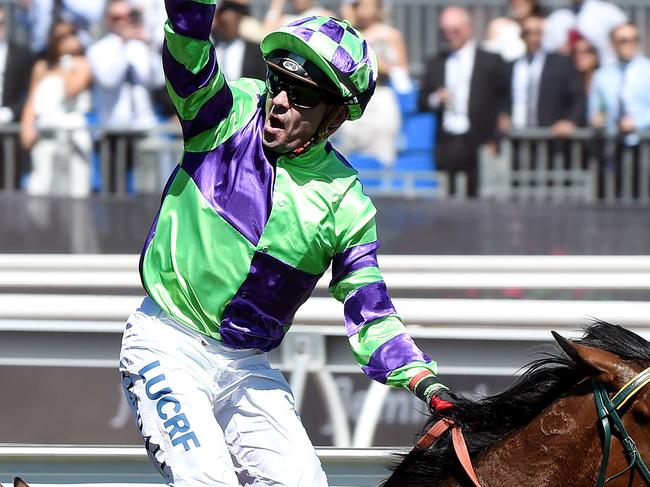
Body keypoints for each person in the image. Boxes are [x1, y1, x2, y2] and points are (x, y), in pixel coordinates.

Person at [119, 2, 452, 485]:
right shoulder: (226, 114)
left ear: (335, 118)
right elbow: (188, 45)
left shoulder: (347, 201)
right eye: (278, 82)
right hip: (166, 342)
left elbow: (371, 313)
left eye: (301, 96)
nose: (279, 101)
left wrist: (422, 381)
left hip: (247, 365)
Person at [419, 6, 509, 197]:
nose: (450, 35)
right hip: (447, 140)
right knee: (448, 196)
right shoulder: (436, 62)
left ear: (468, 28)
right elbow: (422, 100)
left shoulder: (490, 61)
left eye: (455, 30)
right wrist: (437, 98)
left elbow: (505, 95)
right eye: (445, 31)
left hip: (480, 140)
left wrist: (500, 125)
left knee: (481, 195)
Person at [87, 0, 158, 193]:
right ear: (107, 21)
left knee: (148, 193)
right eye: (117, 17)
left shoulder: (141, 46)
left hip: (143, 127)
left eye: (128, 16)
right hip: (113, 131)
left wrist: (151, 46)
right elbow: (109, 80)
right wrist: (123, 44)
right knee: (115, 194)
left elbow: (156, 80)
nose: (123, 22)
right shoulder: (98, 49)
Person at [20, 20, 93, 197]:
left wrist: (67, 62)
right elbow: (32, 100)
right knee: (41, 187)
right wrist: (27, 127)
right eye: (60, 37)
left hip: (73, 135)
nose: (65, 40)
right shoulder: (41, 67)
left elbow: (71, 90)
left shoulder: (82, 64)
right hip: (46, 135)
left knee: (76, 189)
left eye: (70, 35)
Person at [335, 0, 408, 167]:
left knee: (383, 149)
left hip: (380, 95)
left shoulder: (390, 34)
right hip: (352, 94)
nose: (360, 7)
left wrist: (377, 63)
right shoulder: (349, 32)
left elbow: (402, 72)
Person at [589, 22, 650, 198]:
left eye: (634, 39)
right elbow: (595, 108)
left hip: (645, 145)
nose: (630, 44)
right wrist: (597, 118)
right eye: (624, 40)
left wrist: (637, 123)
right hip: (615, 148)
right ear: (613, 44)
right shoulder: (603, 75)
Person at [507, 15, 584, 134]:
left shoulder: (560, 63)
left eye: (537, 32)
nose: (533, 37)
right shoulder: (512, 66)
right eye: (528, 33)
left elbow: (577, 96)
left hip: (549, 136)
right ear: (522, 36)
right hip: (517, 134)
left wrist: (570, 121)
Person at [0, 6, 34, 190]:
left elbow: (29, 91)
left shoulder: (21, 54)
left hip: (9, 135)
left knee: (9, 187)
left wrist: (9, 113)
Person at [543, 0, 627, 66]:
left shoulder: (609, 13)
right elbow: (547, 52)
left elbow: (627, 37)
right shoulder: (557, 18)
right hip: (569, 78)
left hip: (604, 73)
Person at [211, 0, 267, 81]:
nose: (228, 20)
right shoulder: (211, 49)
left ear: (240, 19)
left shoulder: (256, 51)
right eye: (224, 21)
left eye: (232, 22)